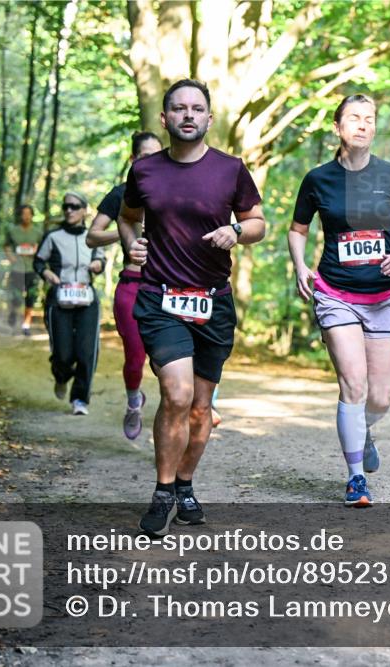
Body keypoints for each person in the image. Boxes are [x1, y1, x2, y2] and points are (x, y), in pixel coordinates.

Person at [119, 79, 265, 536]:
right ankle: (163, 492)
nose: (188, 115)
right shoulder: (145, 172)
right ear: (164, 119)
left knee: (201, 408)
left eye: (196, 108)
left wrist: (238, 233)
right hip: (161, 298)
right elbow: (127, 218)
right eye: (179, 109)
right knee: (177, 395)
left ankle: (185, 485)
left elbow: (258, 222)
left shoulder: (231, 169)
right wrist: (132, 246)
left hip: (213, 302)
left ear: (208, 118)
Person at [287, 94, 390, 507]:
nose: (363, 125)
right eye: (354, 118)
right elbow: (297, 230)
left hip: (383, 297)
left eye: (370, 119)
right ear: (338, 127)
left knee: (380, 397)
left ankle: (364, 431)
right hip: (336, 294)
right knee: (354, 383)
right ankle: (356, 477)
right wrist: (299, 266)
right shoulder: (318, 179)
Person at [86, 131, 163, 439]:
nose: (151, 162)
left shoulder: (173, 191)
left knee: (167, 362)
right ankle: (134, 400)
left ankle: (172, 428)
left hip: (167, 286)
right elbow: (92, 236)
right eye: (145, 156)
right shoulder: (121, 193)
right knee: (135, 355)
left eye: (157, 156)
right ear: (133, 160)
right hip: (132, 284)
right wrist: (126, 228)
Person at [34, 193, 106, 416]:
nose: (69, 211)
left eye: (75, 207)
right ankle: (61, 375)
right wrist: (47, 274)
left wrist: (97, 264)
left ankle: (80, 399)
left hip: (86, 298)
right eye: (66, 206)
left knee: (87, 352)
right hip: (60, 297)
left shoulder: (93, 237)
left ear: (84, 210)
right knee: (63, 353)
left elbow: (101, 260)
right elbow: (38, 261)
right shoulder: (53, 236)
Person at [4, 204, 43, 335]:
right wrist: (11, 258)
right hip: (17, 269)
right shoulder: (13, 231)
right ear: (20, 215)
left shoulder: (38, 233)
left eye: (28, 213)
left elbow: (42, 248)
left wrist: (36, 252)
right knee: (16, 297)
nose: (26, 216)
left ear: (32, 215)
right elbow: (6, 246)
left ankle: (26, 325)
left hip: (32, 269)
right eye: (23, 213)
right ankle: (13, 313)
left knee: (30, 298)